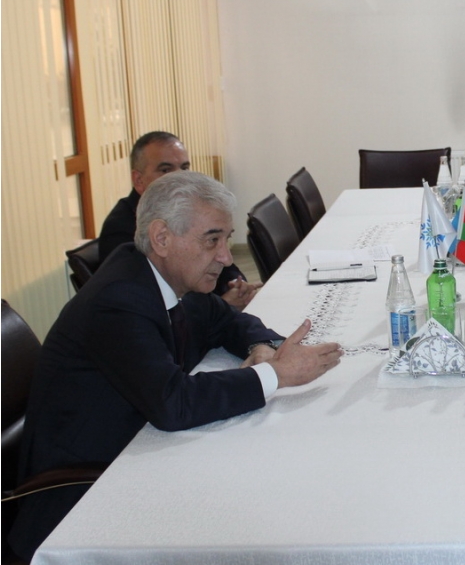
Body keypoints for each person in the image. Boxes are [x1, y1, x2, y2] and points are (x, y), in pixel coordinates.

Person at [10, 171, 344, 560]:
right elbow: (173, 403)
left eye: (226, 238)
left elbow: (227, 321)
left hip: (140, 454)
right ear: (162, 238)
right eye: (212, 240)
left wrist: (265, 347)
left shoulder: (169, 276)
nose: (226, 256)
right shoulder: (118, 301)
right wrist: (277, 374)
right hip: (82, 496)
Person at [98, 131, 260, 309]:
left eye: (184, 168)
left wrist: (236, 285)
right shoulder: (121, 229)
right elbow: (153, 304)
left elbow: (223, 263)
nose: (179, 176)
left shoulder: (191, 210)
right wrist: (223, 306)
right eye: (165, 170)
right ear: (138, 180)